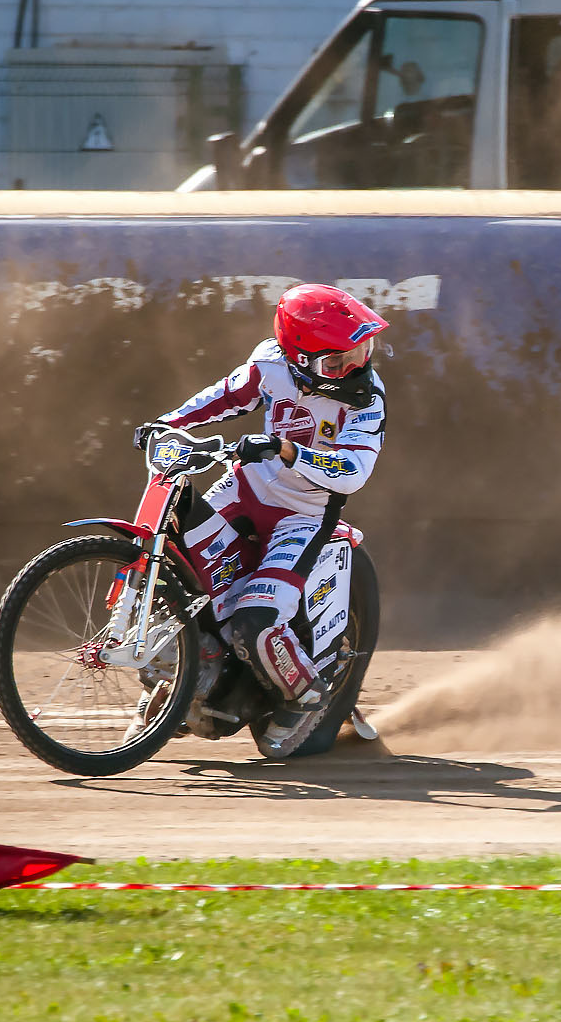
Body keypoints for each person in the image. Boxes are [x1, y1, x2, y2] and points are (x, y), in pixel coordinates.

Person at [139, 283, 387, 736]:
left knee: (254, 621)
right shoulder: (269, 364)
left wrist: (288, 450)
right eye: (337, 362)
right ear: (298, 359)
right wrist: (167, 424)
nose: (355, 368)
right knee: (177, 555)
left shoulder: (370, 399)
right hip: (245, 488)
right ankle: (183, 670)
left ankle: (305, 694)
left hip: (305, 515)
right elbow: (225, 396)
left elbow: (353, 472)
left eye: (361, 352)